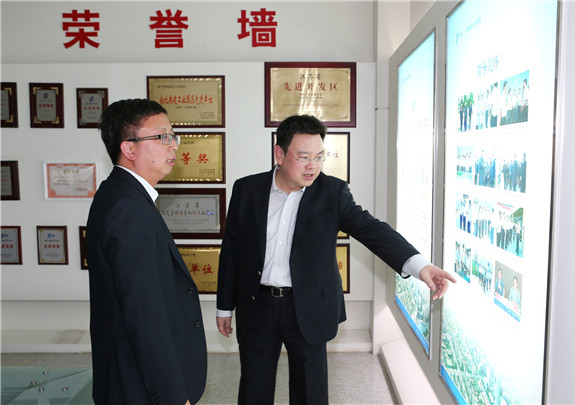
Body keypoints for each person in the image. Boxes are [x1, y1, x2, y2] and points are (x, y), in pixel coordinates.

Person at [216, 114, 456, 404]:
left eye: (319, 157)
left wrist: (419, 265)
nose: (312, 166)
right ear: (279, 154)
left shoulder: (332, 192)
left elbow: (372, 230)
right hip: (257, 306)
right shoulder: (247, 189)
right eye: (303, 157)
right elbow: (232, 249)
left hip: (307, 307)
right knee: (254, 389)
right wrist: (224, 306)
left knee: (310, 393)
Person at [86, 99, 207, 405]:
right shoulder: (127, 208)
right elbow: (144, 315)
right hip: (137, 384)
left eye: (173, 136)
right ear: (129, 148)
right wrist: (172, 396)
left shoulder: (122, 195)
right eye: (163, 137)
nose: (173, 145)